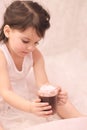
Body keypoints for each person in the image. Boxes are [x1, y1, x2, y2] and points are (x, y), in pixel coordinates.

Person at [0, 0, 84, 130]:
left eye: (36, 43)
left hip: (19, 91)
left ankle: (80, 118)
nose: (30, 48)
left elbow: (43, 83)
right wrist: (29, 107)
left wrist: (53, 92)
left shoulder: (35, 54)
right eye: (25, 41)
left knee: (56, 100)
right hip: (4, 93)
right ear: (7, 31)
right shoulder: (1, 56)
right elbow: (6, 92)